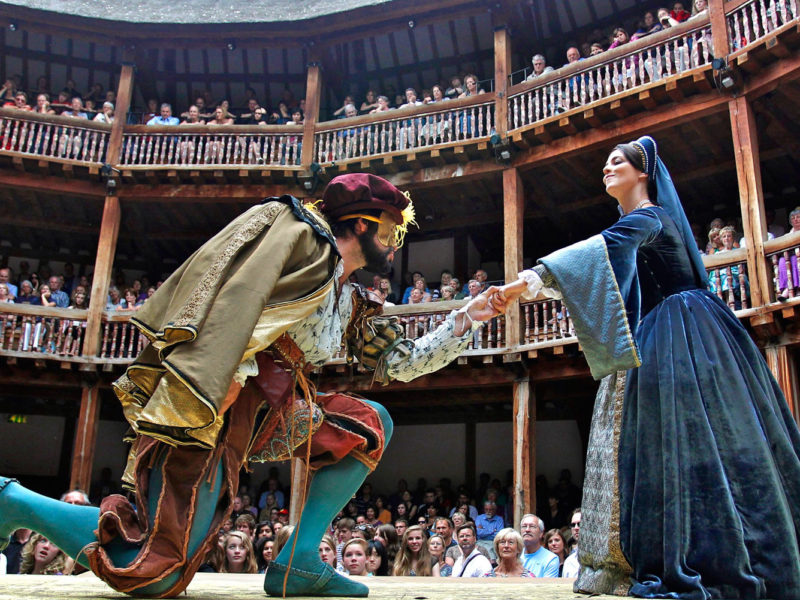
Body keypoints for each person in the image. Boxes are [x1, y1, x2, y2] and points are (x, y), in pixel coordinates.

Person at [0, 173, 504, 598]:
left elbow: (400, 362)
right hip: (214, 402)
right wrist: (215, 395)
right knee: (157, 575)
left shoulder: (346, 297)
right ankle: (13, 501)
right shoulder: (305, 244)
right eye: (394, 228)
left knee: (368, 423)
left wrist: (468, 318)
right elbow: (235, 306)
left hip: (274, 410)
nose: (398, 242)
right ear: (362, 224)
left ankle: (299, 562)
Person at [495, 135, 800, 598]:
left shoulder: (650, 217)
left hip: (680, 333)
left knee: (675, 441)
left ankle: (701, 550)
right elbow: (607, 273)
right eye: (605, 163)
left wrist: (523, 283)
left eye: (618, 161)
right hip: (668, 330)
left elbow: (597, 254)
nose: (607, 167)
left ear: (643, 172)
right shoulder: (638, 224)